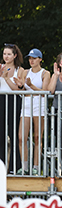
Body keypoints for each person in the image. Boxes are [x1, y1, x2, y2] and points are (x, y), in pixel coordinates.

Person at [16, 48, 50, 175]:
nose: (31, 61)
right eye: (30, 58)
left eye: (34, 58)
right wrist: (21, 85)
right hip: (26, 105)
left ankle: (36, 166)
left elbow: (45, 91)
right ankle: (24, 167)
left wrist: (31, 86)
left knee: (37, 137)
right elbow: (23, 90)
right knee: (21, 137)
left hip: (39, 105)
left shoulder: (45, 73)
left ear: (40, 59)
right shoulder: (25, 72)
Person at [0, 43, 26, 174]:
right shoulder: (0, 67)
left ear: (15, 55)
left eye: (9, 54)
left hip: (14, 100)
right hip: (1, 99)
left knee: (13, 133)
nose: (6, 56)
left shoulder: (19, 70)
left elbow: (18, 89)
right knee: (1, 134)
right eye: (4, 54)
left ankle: (15, 167)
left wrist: (6, 78)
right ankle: (2, 166)